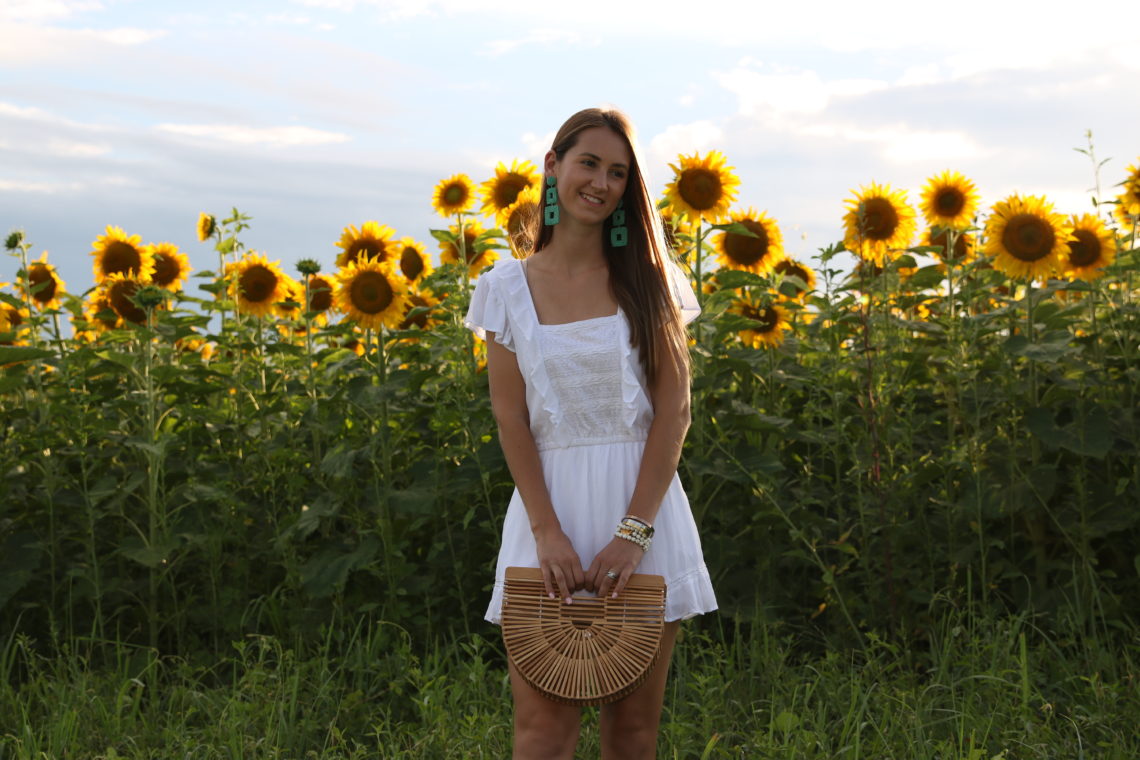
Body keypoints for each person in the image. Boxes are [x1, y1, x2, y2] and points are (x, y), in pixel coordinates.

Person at [464, 106, 717, 760]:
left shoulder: (650, 282)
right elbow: (510, 417)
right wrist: (547, 531)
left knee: (632, 735)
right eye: (588, 164)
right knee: (542, 733)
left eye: (617, 173)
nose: (600, 183)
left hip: (643, 516)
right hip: (547, 518)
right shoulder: (504, 290)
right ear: (552, 167)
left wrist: (633, 536)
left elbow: (674, 412)